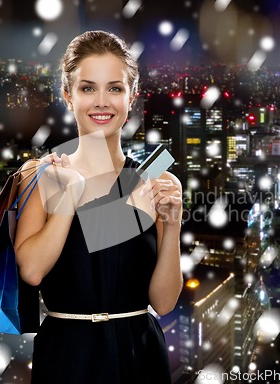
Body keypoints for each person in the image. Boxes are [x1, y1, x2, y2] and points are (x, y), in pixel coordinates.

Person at [13, 30, 183, 384]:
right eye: (88, 88)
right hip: (67, 354)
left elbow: (164, 303)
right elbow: (31, 271)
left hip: (140, 352)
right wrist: (69, 197)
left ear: (131, 98)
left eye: (115, 88)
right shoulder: (40, 174)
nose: (101, 101)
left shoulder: (155, 181)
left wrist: (174, 227)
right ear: (68, 96)